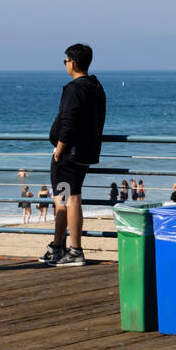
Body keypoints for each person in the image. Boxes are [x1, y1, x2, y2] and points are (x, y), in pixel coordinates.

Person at [40, 44, 107, 268]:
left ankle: (75, 249)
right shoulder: (96, 87)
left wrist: (59, 149)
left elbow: (69, 121)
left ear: (73, 63)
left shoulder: (74, 89)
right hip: (85, 153)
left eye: (66, 61)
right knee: (62, 199)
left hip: (68, 155)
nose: (65, 64)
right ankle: (57, 246)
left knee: (71, 199)